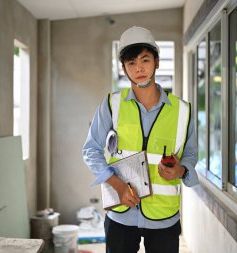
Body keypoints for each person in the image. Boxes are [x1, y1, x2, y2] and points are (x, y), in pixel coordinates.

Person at [82, 26, 199, 253]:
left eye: (145, 60)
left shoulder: (183, 111)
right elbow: (91, 150)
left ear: (157, 61)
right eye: (131, 63)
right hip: (121, 214)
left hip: (164, 216)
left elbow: (191, 153)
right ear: (124, 69)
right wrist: (117, 185)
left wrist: (181, 170)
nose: (139, 69)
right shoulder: (111, 104)